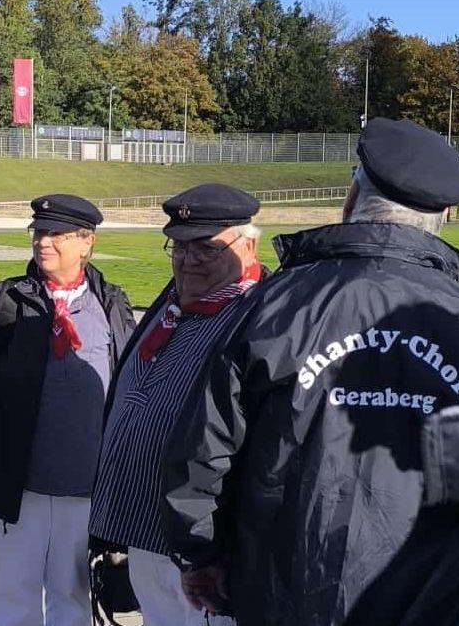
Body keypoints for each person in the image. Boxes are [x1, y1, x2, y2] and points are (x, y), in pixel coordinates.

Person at [160, 118, 459, 626]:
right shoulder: (457, 315)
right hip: (429, 599)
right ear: (446, 215)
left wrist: (201, 555)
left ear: (352, 197)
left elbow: (204, 450)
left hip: (287, 590)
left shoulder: (275, 303)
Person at [0, 194, 136, 626]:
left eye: (56, 234)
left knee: (73, 597)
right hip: (16, 484)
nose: (44, 242)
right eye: (39, 232)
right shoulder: (1, 302)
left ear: (86, 241)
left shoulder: (112, 303)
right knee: (13, 596)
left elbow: (130, 386)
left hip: (86, 487)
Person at [89, 184, 264, 626]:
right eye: (180, 247)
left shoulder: (260, 314)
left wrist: (210, 548)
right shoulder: (173, 302)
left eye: (206, 248)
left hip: (208, 549)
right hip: (145, 531)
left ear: (248, 245)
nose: (188, 260)